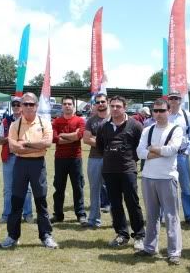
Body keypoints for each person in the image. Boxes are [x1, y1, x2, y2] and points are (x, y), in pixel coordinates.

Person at [0, 92, 58, 249]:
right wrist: (34, 145)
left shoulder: (44, 123)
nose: (27, 107)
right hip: (20, 164)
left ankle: (45, 235)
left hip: (38, 165)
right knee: (16, 201)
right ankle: (13, 236)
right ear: (20, 106)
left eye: (31, 104)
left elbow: (47, 143)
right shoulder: (15, 125)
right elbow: (13, 147)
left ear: (36, 106)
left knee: (41, 201)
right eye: (24, 104)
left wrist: (25, 144)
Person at [135, 98, 183, 264]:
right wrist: (159, 151)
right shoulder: (147, 130)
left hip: (167, 178)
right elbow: (139, 152)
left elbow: (173, 149)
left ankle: (174, 252)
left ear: (169, 111)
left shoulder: (176, 129)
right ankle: (149, 248)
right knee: (151, 215)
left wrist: (152, 149)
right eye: (155, 111)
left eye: (162, 110)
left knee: (171, 216)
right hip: (148, 177)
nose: (158, 114)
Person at [96, 95, 145, 249]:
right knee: (115, 204)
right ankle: (122, 234)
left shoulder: (135, 125)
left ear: (125, 107)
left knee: (132, 202)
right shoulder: (104, 126)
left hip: (128, 170)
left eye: (118, 106)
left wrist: (130, 160)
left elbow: (141, 147)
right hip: (109, 171)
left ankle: (139, 235)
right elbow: (100, 146)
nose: (115, 109)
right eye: (113, 106)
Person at [0, 97, 33, 225]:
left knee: (27, 188)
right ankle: (6, 214)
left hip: (24, 157)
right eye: (14, 104)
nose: (16, 106)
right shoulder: (6, 121)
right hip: (9, 157)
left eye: (19, 104)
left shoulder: (28, 120)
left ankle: (28, 214)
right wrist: (10, 139)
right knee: (8, 189)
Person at [51, 95, 87, 225]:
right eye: (65, 104)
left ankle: (80, 214)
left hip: (75, 159)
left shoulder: (80, 121)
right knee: (59, 188)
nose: (67, 106)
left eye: (69, 104)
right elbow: (54, 139)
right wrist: (72, 136)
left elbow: (79, 136)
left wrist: (63, 135)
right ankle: (58, 214)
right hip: (60, 159)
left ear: (73, 106)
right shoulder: (56, 122)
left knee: (78, 187)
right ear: (62, 106)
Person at [167, 90, 190, 225]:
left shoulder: (187, 116)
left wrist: (186, 153)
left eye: (176, 98)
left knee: (186, 187)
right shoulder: (165, 115)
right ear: (168, 100)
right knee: (166, 186)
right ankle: (168, 215)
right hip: (167, 156)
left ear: (180, 100)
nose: (174, 101)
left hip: (181, 155)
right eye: (171, 98)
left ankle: (189, 215)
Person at [83, 92, 111, 228]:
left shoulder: (114, 118)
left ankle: (117, 221)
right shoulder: (91, 121)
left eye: (102, 102)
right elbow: (86, 139)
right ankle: (94, 220)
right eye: (97, 102)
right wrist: (105, 144)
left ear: (107, 102)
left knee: (115, 190)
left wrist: (98, 140)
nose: (100, 104)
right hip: (95, 159)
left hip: (113, 160)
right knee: (95, 190)